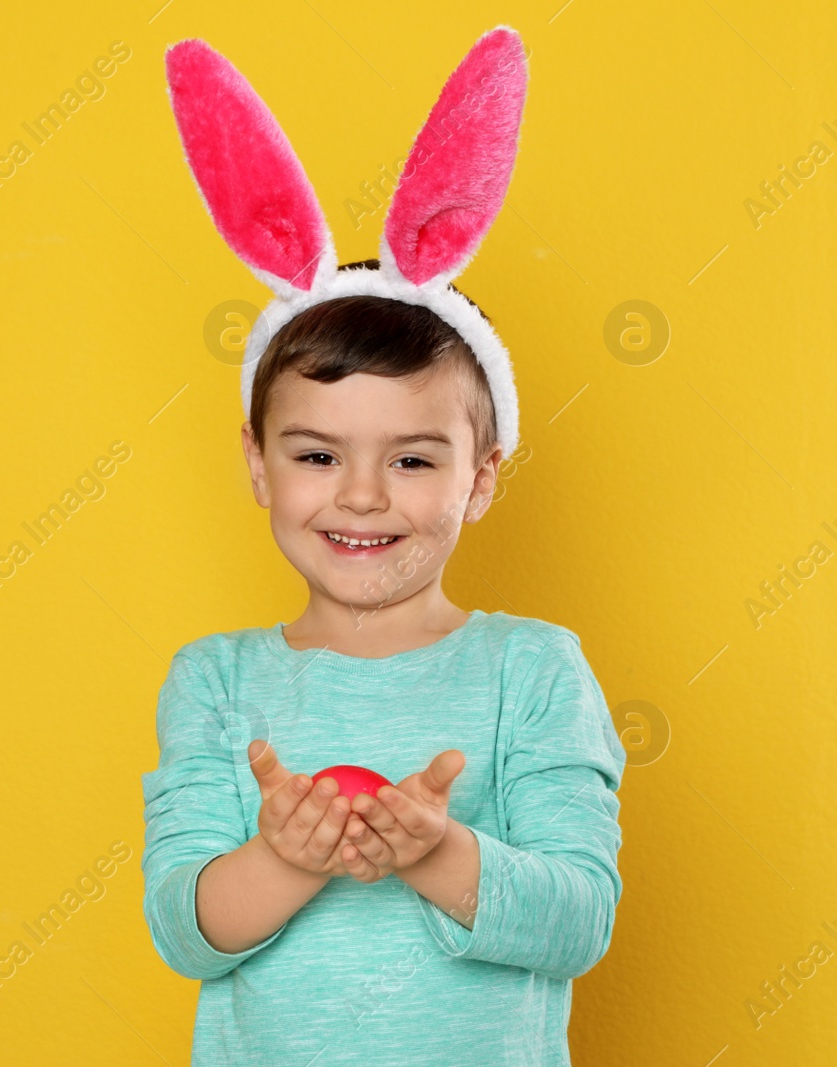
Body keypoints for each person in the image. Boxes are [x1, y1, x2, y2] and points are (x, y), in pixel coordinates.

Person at [142, 27, 626, 1066]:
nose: (361, 494)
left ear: (481, 475)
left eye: (411, 460)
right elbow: (184, 931)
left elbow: (579, 919)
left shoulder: (532, 669)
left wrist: (438, 851)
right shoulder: (215, 682)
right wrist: (285, 856)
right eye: (317, 453)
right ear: (260, 465)